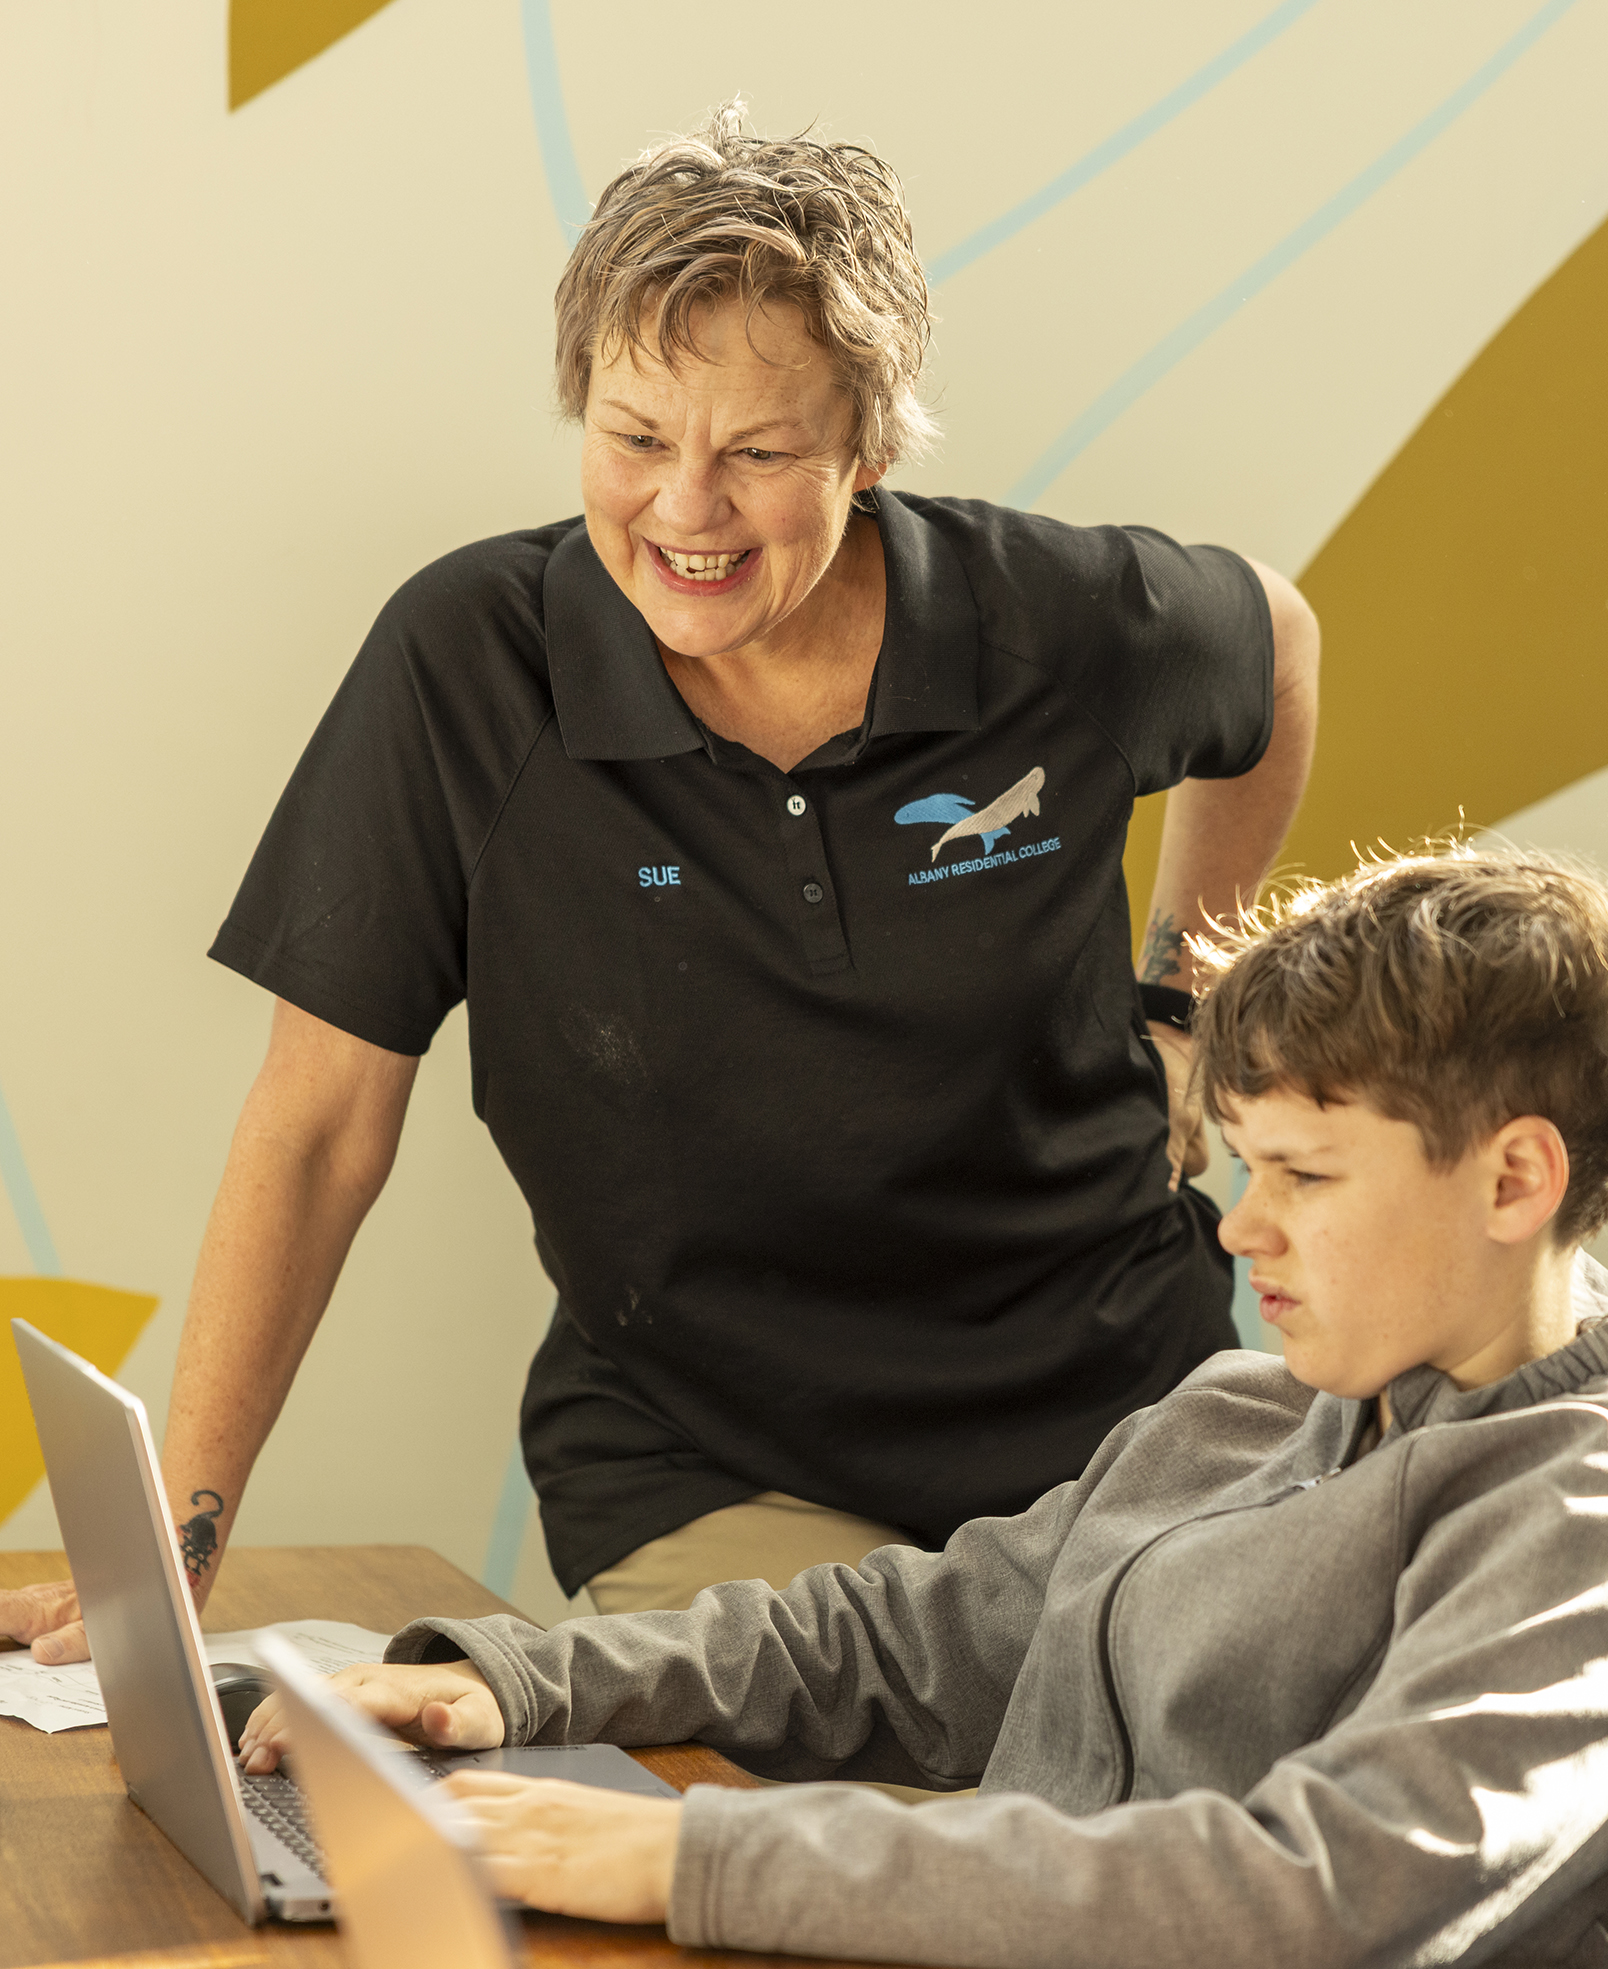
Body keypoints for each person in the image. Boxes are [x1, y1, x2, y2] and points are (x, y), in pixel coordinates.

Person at [0, 104, 1318, 1662]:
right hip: (711, 1461)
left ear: (868, 449)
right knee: (832, 1793)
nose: (687, 509)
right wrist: (180, 1537)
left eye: (758, 453)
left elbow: (1275, 652)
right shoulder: (470, 667)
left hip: (1115, 1426)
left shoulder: (1053, 624)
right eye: (635, 440)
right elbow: (317, 1125)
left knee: (1141, 1784)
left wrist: (1184, 1000)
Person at [238, 847, 1608, 1968]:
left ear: (1514, 1181)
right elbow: (910, 1641)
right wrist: (525, 1682)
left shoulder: (1572, 1526)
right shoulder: (1234, 1418)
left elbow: (1317, 1891)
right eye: (1247, 1169)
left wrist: (702, 1857)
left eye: (1305, 1176)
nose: (1243, 1228)